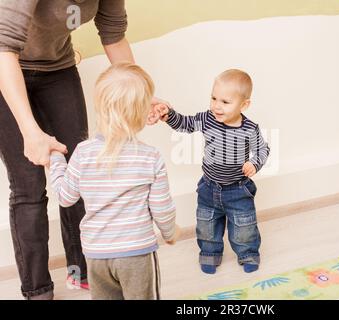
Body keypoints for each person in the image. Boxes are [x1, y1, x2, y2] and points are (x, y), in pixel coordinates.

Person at [0, 0, 136, 299]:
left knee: (80, 172)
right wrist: (30, 131)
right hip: (6, 67)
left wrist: (139, 93)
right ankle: (37, 289)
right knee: (28, 186)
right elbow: (3, 47)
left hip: (57, 70)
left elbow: (113, 34)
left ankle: (82, 272)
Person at [49, 62, 178, 300]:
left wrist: (56, 159)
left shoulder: (83, 153)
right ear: (141, 113)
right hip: (136, 253)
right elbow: (162, 207)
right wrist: (170, 233)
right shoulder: (150, 157)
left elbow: (65, 198)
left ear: (99, 108)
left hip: (96, 256)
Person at [155, 69, 270, 274]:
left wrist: (254, 163)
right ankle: (210, 253)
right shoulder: (208, 119)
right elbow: (186, 124)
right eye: (214, 98)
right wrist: (168, 115)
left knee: (244, 226)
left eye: (225, 102)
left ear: (244, 105)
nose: (217, 105)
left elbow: (262, 149)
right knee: (207, 224)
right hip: (209, 187)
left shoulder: (249, 129)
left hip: (238, 189)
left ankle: (248, 253)